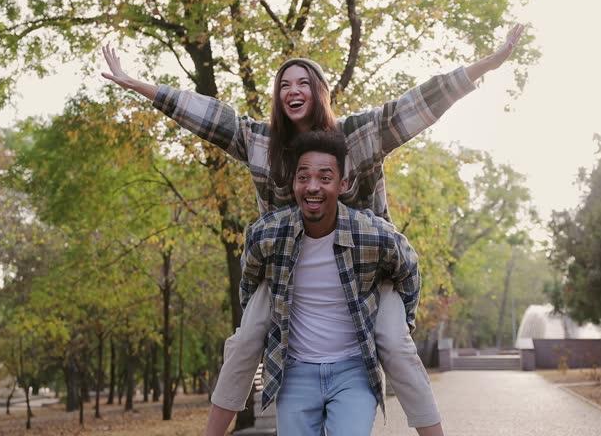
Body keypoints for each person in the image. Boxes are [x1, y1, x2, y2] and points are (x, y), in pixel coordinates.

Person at [100, 24, 523, 435]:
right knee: (247, 337)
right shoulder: (261, 142)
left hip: (369, 268)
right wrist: (135, 83)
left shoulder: (359, 135)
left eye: (303, 82)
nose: (292, 90)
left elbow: (419, 103)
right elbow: (207, 114)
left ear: (319, 91)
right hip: (288, 268)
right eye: (284, 85)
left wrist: (488, 63)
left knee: (394, 343)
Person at [239, 130, 424, 435]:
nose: (313, 187)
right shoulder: (267, 235)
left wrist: (397, 322)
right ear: (294, 183)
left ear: (343, 184)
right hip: (295, 372)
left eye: (325, 178)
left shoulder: (372, 234)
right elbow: (248, 285)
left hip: (354, 371)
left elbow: (409, 271)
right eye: (304, 177)